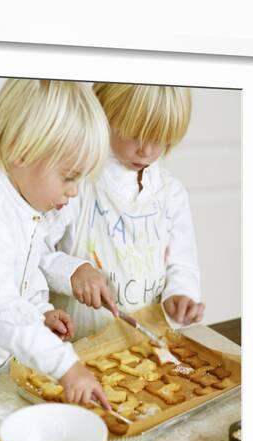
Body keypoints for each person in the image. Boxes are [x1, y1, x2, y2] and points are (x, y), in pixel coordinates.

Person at [40, 83, 205, 340]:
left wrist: (180, 295)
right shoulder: (76, 184)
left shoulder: (171, 193)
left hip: (148, 347)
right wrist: (72, 271)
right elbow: (33, 253)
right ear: (104, 114)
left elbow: (183, 266)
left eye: (159, 137)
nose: (146, 150)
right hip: (78, 346)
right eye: (135, 133)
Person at [0, 78, 112, 408]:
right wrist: (66, 366)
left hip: (6, 365)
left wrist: (40, 312)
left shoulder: (24, 201)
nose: (74, 191)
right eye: (69, 176)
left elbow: (29, 263)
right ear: (20, 151)